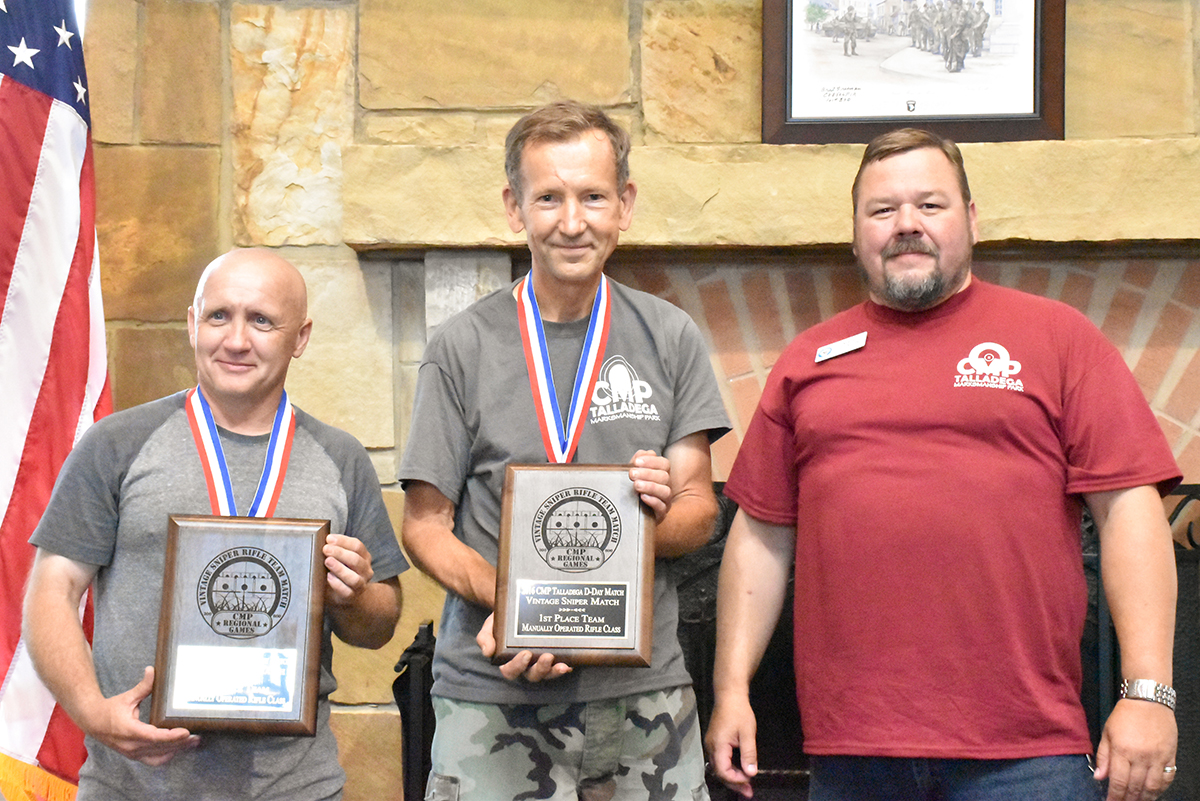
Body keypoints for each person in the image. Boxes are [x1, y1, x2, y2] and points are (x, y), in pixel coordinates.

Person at [705, 128, 1180, 801]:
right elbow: (760, 537)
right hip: (851, 755)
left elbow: (1130, 511)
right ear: (855, 232)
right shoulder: (806, 360)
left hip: (1027, 753)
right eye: (881, 210)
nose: (906, 226)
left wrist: (1150, 693)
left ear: (972, 220)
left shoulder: (1059, 338)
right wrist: (731, 690)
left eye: (930, 206)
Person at [399, 99, 729, 800]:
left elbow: (701, 510)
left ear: (625, 204)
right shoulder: (461, 347)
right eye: (548, 197)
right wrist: (519, 609)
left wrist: (648, 515)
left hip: (645, 697)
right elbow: (425, 525)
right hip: (493, 696)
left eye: (592, 196)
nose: (572, 221)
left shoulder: (671, 336)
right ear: (515, 208)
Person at [22, 248, 407, 800]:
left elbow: (378, 626)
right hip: (134, 785)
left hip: (293, 786)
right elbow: (52, 590)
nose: (236, 340)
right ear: (191, 323)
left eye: (262, 321)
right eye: (219, 316)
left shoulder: (340, 456)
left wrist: (354, 594)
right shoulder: (117, 444)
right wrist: (92, 713)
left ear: (300, 338)